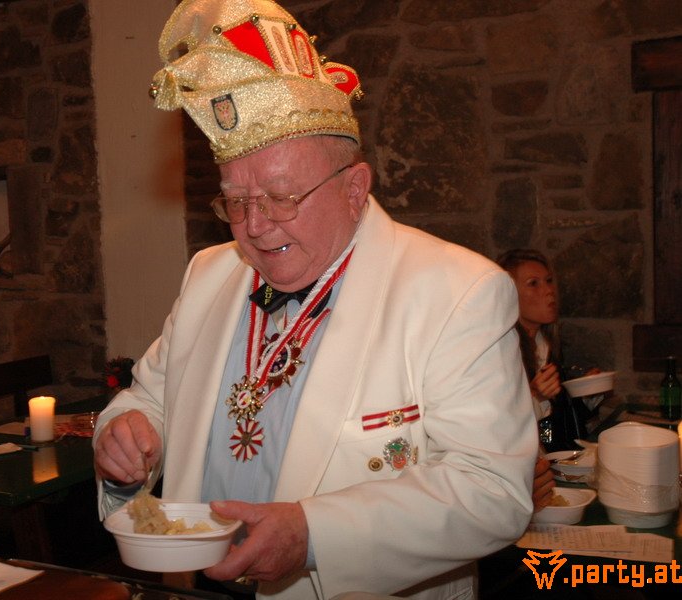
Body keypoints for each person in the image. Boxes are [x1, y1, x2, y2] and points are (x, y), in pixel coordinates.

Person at [94, 2, 538, 599]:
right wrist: (126, 436)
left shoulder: (458, 292)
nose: (255, 227)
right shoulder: (208, 274)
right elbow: (150, 400)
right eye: (236, 202)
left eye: (282, 197)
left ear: (354, 188)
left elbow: (493, 491)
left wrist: (315, 535)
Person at [496, 249, 602, 455]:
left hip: (548, 463)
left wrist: (587, 396)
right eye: (533, 283)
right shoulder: (501, 352)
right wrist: (535, 397)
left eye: (549, 281)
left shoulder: (545, 346)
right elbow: (495, 427)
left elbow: (547, 428)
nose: (549, 291)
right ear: (509, 295)